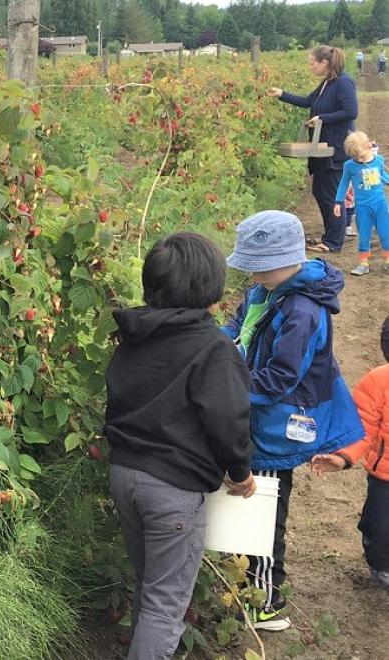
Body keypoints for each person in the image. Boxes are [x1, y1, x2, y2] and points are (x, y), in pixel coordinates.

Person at [105, 233, 255, 659]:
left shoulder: (135, 334)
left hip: (125, 474)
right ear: (212, 289)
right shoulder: (213, 348)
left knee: (150, 583)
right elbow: (227, 420)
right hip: (172, 490)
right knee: (165, 604)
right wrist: (240, 473)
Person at [222, 210, 365, 631]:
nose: (251, 274)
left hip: (277, 427)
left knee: (262, 515)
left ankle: (265, 601)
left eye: (257, 266)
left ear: (282, 262)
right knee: (243, 505)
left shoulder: (302, 311)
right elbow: (233, 328)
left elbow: (283, 378)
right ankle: (240, 587)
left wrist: (228, 387)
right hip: (254, 416)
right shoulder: (263, 293)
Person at [311, 317, 389, 587]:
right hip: (385, 478)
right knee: (379, 528)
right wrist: (343, 456)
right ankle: (380, 562)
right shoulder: (379, 382)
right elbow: (362, 427)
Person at [267, 45, 358, 254]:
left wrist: (322, 118)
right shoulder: (327, 83)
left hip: (334, 148)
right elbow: (307, 101)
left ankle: (334, 242)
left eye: (311, 63)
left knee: (332, 195)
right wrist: (281, 94)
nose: (309, 66)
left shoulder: (343, 82)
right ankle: (329, 236)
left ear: (324, 62)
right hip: (320, 148)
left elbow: (351, 111)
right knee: (320, 191)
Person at [333, 131, 389, 275]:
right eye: (354, 156)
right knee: (364, 235)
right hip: (362, 207)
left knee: (385, 233)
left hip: (380, 205)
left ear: (368, 146)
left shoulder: (379, 160)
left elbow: (382, 175)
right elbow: (343, 184)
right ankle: (363, 263)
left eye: (361, 155)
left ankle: (388, 260)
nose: (358, 158)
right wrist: (338, 202)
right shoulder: (349, 166)